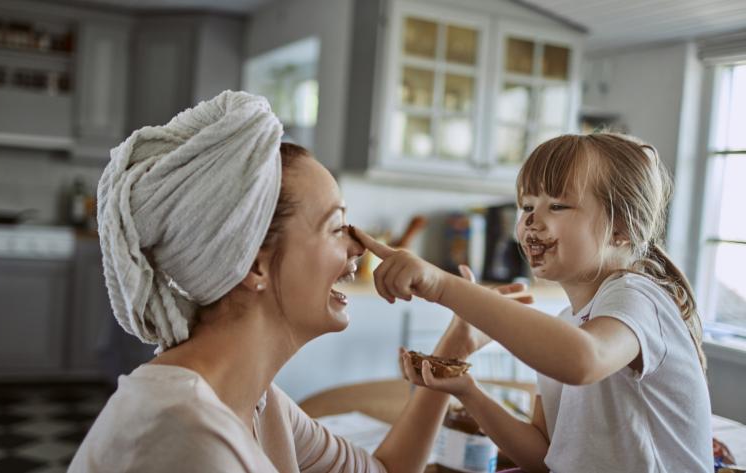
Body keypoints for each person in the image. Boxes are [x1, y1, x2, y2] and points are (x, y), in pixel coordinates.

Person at [68, 90, 528, 473]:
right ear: (253, 266)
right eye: (335, 227)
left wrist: (452, 352)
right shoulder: (184, 438)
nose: (358, 248)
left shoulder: (257, 403)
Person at [354, 133, 713, 473]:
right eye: (526, 205)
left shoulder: (639, 296)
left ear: (620, 229)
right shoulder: (567, 325)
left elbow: (583, 360)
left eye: (557, 205)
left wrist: (442, 286)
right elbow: (542, 455)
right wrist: (468, 391)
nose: (530, 220)